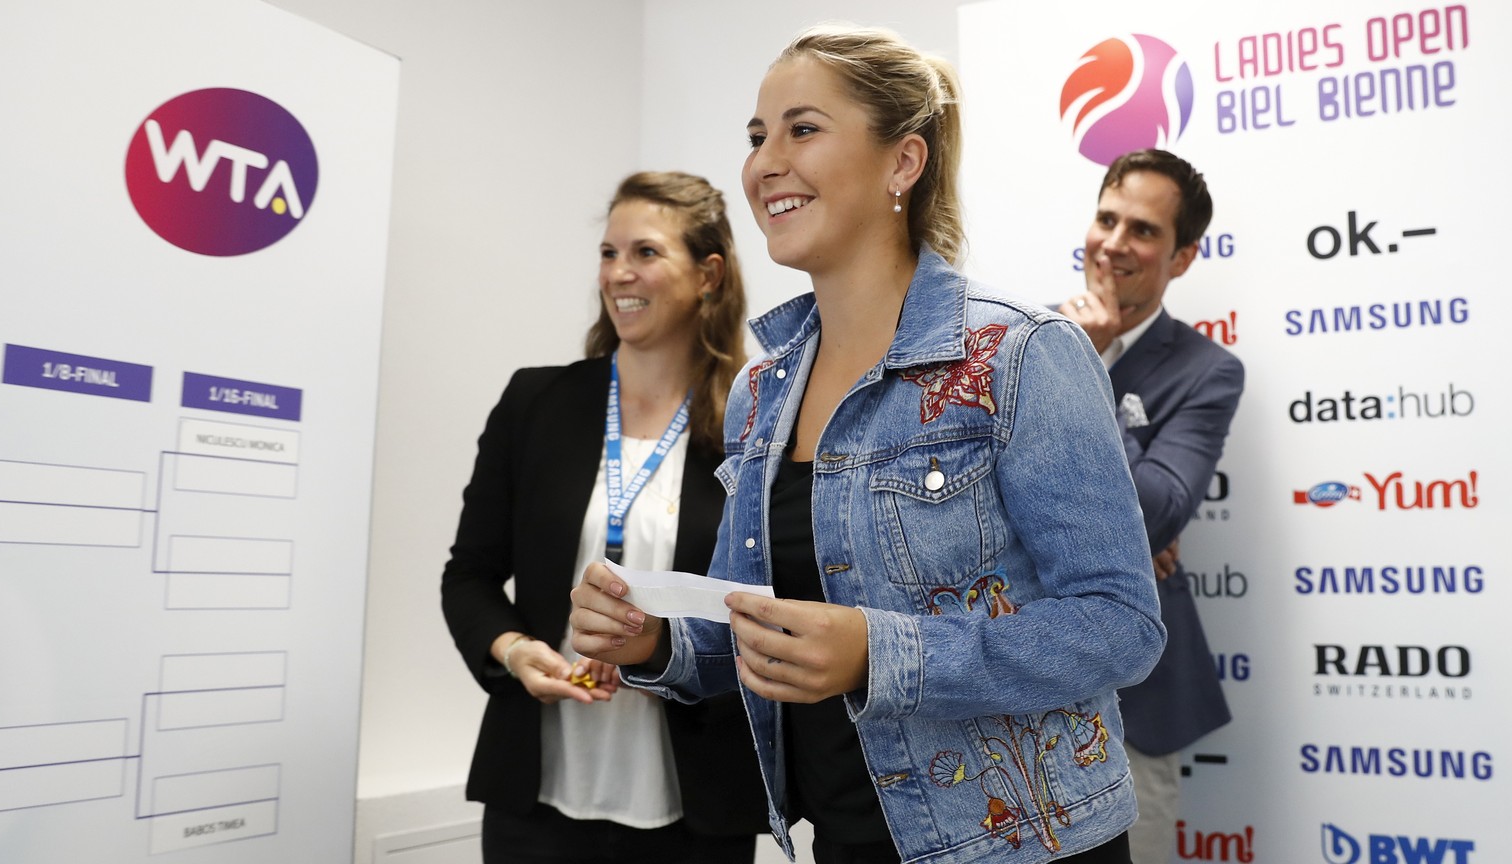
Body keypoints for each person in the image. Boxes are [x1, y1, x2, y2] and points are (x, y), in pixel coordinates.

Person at [570, 26, 1165, 864]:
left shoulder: (1020, 353)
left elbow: (1120, 625)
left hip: (1025, 846)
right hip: (845, 841)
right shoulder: (761, 391)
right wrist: (656, 642)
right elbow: (753, 625)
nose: (764, 162)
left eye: (802, 129)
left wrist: (881, 654)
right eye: (756, 136)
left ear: (903, 163)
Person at [440, 171, 767, 864]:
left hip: (697, 803)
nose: (620, 273)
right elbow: (467, 576)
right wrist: (514, 650)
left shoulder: (757, 425)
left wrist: (662, 649)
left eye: (645, 252)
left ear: (708, 274)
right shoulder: (536, 405)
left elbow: (767, 608)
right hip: (536, 797)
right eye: (609, 252)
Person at [1057, 149, 1244, 864]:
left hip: (1136, 708)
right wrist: (1123, 532)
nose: (1113, 243)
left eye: (1142, 230)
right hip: (1012, 692)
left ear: (1184, 257)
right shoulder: (1017, 342)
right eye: (1106, 218)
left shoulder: (1207, 371)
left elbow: (1159, 512)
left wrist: (1087, 369)